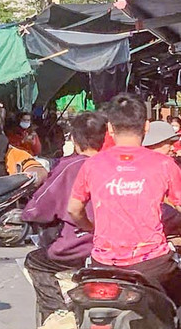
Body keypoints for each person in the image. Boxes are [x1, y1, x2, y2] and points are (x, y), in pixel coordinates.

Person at [68, 93, 181, 300]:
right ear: (146, 127)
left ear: (110, 128)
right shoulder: (164, 164)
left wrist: (90, 228)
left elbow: (74, 209)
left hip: (103, 265)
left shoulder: (92, 165)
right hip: (152, 265)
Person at [21, 112, 106, 329]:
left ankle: (58, 315)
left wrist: (27, 213)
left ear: (75, 142)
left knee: (35, 262)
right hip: (118, 250)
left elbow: (40, 206)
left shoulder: (71, 167)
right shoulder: (117, 165)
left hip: (76, 248)